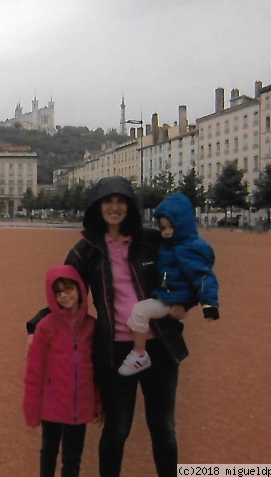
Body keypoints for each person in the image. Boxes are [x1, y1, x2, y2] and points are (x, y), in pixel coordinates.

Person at [26, 176, 188, 477]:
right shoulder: (86, 249)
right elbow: (65, 292)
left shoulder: (151, 241)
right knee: (117, 429)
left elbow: (187, 270)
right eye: (108, 202)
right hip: (116, 351)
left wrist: (187, 303)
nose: (115, 207)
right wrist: (37, 324)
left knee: (164, 428)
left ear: (130, 206)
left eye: (121, 201)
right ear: (97, 208)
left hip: (160, 348)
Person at [118, 193, 219, 376]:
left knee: (140, 311)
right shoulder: (169, 245)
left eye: (170, 227)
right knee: (138, 313)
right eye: (163, 228)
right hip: (167, 294)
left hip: (172, 298)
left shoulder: (187, 248)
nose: (165, 232)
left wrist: (209, 304)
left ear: (182, 225)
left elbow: (203, 276)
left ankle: (139, 354)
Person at [23, 265, 99, 477]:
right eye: (58, 292)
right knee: (48, 452)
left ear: (79, 289)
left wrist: (97, 402)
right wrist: (31, 408)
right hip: (52, 405)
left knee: (72, 459)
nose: (64, 295)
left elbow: (96, 371)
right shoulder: (46, 327)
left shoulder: (92, 327)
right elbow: (34, 371)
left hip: (80, 406)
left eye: (68, 289)